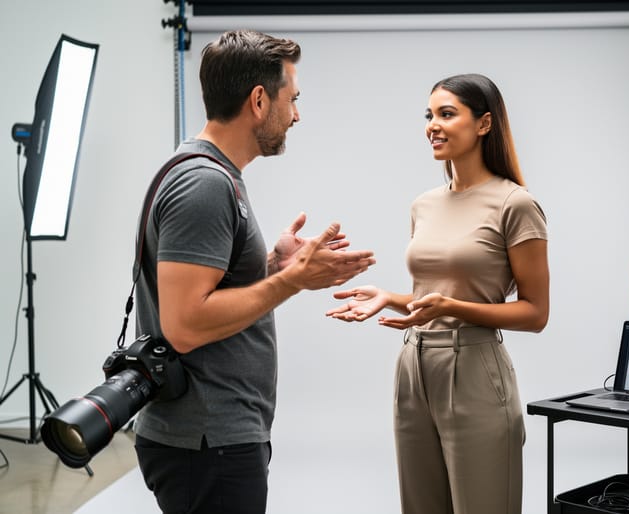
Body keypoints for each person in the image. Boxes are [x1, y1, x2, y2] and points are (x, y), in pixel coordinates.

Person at [132, 30, 375, 514]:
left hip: (213, 438)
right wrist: (292, 280)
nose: (297, 115)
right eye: (293, 99)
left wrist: (269, 266)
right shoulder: (204, 183)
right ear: (259, 100)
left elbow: (204, 286)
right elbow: (184, 325)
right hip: (208, 442)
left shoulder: (212, 174)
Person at [326, 73, 549, 514]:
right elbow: (433, 297)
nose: (433, 124)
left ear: (484, 124)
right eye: (429, 115)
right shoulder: (423, 204)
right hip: (413, 367)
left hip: (475, 370)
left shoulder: (515, 204)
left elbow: (535, 313)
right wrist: (391, 297)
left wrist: (449, 307)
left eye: (447, 114)